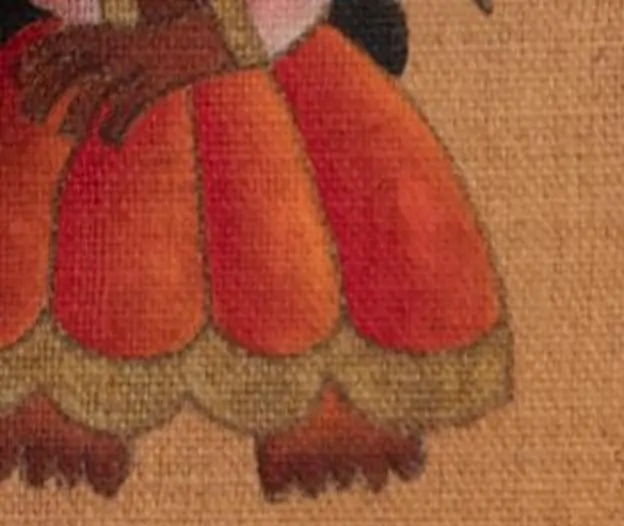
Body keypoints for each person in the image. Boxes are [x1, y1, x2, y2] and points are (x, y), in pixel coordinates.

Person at [0, 0, 506, 498]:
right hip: (92, 56)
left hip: (261, 50)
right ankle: (56, 384)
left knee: (294, 206)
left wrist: (210, 40)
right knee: (65, 179)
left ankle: (321, 390)